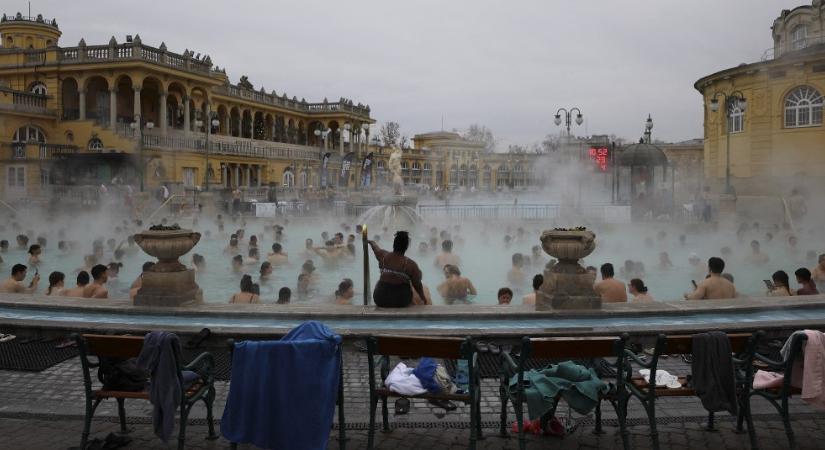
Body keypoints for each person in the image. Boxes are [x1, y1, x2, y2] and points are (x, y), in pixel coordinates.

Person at [369, 231, 426, 308]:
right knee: (409, 284)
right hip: (401, 301)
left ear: (394, 244)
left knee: (379, 281)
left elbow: (375, 248)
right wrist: (423, 298)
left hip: (380, 299)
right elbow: (417, 284)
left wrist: (371, 242)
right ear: (406, 247)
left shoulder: (384, 256)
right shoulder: (411, 264)